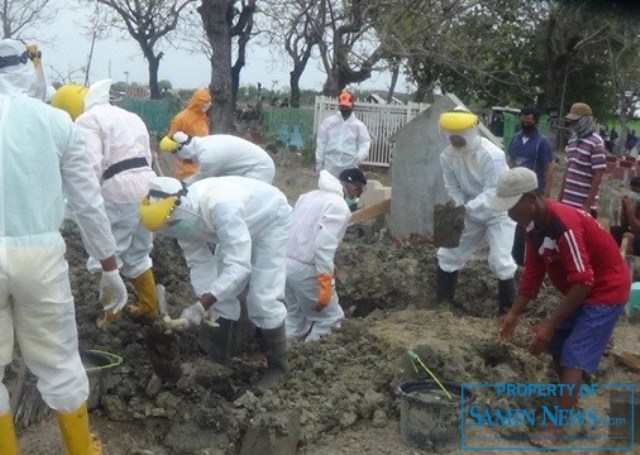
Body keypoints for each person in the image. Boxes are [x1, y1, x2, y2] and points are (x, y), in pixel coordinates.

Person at [0, 39, 128, 455]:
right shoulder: (58, 124)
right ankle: (81, 450)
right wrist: (110, 267)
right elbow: (88, 204)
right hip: (40, 257)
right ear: (28, 71)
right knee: (59, 363)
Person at [495, 167, 630, 448]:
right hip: (582, 291)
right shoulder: (532, 225)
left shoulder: (563, 227)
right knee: (555, 344)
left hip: (605, 291)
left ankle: (557, 429)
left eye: (512, 207)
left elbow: (584, 281)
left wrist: (549, 323)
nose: (508, 214)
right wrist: (514, 313)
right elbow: (533, 272)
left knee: (572, 353)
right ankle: (568, 400)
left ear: (531, 198)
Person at [138, 175, 292, 388]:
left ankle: (278, 368)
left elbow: (238, 266)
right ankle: (219, 363)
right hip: (233, 228)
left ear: (180, 208)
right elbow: (199, 262)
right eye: (166, 227)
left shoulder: (221, 206)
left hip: (270, 219)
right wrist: (206, 301)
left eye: (171, 223)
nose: (170, 229)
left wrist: (201, 306)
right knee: (219, 296)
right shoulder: (177, 221)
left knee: (263, 296)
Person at [51, 79, 159, 325]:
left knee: (107, 255)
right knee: (140, 253)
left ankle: (110, 318)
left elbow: (89, 166)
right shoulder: (128, 116)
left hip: (117, 193)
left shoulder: (86, 121)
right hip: (147, 191)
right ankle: (149, 307)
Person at [436, 110, 517, 315]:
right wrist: (458, 206)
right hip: (470, 210)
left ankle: (507, 312)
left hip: (499, 210)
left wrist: (467, 207)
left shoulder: (491, 154)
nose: (455, 138)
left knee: (500, 261)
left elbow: (493, 190)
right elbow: (452, 186)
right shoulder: (447, 156)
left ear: (471, 131)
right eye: (451, 134)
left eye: (459, 134)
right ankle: (443, 307)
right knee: (447, 254)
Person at [285, 170, 354, 343]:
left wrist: (329, 265)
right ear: (352, 187)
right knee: (330, 319)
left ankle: (280, 358)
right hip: (307, 270)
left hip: (286, 264)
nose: (356, 197)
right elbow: (323, 247)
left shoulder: (308, 197)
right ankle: (307, 363)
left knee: (295, 321)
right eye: (358, 191)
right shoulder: (338, 206)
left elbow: (302, 231)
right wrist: (325, 282)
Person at [507, 106, 554, 266]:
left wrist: (546, 194)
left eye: (529, 122)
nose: (526, 124)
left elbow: (548, 168)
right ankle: (518, 259)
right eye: (523, 121)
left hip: (534, 193)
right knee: (519, 225)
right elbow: (511, 161)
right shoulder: (515, 139)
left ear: (536, 122)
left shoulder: (542, 143)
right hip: (517, 192)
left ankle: (536, 260)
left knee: (533, 227)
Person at [159, 132, 275, 184]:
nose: (179, 159)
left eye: (175, 154)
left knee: (246, 201)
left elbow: (197, 181)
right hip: (245, 168)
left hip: (259, 168)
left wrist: (176, 186)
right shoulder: (200, 145)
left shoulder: (207, 156)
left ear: (181, 149)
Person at [558, 102, 606, 218]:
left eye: (576, 121)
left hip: (583, 206)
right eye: (572, 121)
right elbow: (568, 171)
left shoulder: (596, 142)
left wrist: (587, 205)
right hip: (567, 202)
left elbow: (598, 176)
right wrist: (560, 197)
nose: (574, 124)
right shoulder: (572, 141)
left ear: (586, 120)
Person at [315, 91, 371, 178]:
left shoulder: (359, 126)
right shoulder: (329, 123)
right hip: (330, 164)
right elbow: (322, 142)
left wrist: (359, 157)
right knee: (329, 190)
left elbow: (364, 143)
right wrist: (319, 161)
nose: (344, 109)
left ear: (353, 106)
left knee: (345, 190)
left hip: (350, 165)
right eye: (342, 107)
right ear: (339, 106)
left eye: (346, 107)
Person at [169, 87, 212, 180]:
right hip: (185, 170)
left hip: (202, 167)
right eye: (204, 102)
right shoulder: (180, 119)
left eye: (208, 102)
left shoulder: (203, 119)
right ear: (197, 102)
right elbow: (170, 142)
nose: (207, 105)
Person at [610, 176, 640, 256]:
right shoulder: (634, 204)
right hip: (635, 233)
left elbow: (636, 230)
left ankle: (627, 262)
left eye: (637, 192)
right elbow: (624, 225)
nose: (634, 195)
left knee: (628, 236)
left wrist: (630, 212)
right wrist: (624, 209)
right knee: (614, 230)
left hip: (637, 234)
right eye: (632, 191)